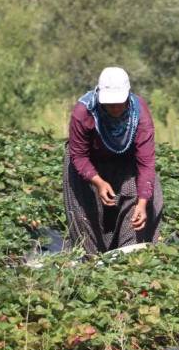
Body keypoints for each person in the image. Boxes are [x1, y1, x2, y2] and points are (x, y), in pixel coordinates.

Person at [63, 67, 163, 253]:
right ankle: (90, 260)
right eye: (110, 103)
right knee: (86, 211)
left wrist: (142, 203)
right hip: (90, 163)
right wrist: (98, 182)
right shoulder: (83, 112)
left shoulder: (140, 114)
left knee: (135, 201)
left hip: (126, 162)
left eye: (119, 102)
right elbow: (78, 155)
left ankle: (128, 257)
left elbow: (146, 163)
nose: (115, 107)